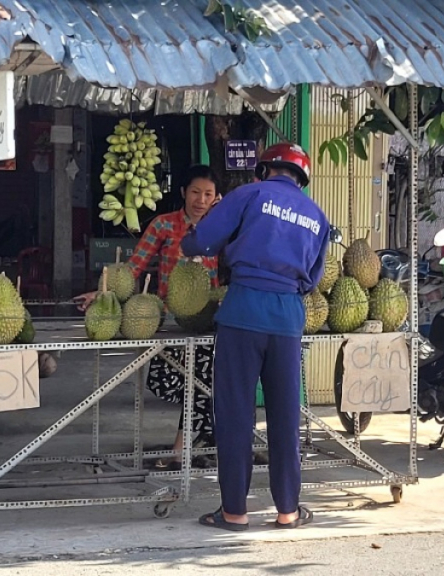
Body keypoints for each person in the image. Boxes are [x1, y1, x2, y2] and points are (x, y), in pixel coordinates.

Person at [181, 143, 329, 531]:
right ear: (301, 178)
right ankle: (288, 511)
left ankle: (234, 512)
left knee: (234, 416)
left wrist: (193, 243)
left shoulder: (250, 194)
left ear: (265, 170)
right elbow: (312, 278)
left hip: (243, 312)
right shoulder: (317, 216)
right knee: (284, 418)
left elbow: (203, 240)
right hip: (287, 320)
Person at [74, 165, 221, 468]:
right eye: (195, 192)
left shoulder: (222, 229)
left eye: (208, 194)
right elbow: (133, 268)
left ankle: (182, 448)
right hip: (167, 321)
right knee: (165, 381)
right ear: (183, 192)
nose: (200, 199)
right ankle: (206, 437)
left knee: (205, 380)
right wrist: (102, 292)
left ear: (216, 197)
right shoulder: (163, 226)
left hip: (208, 321)